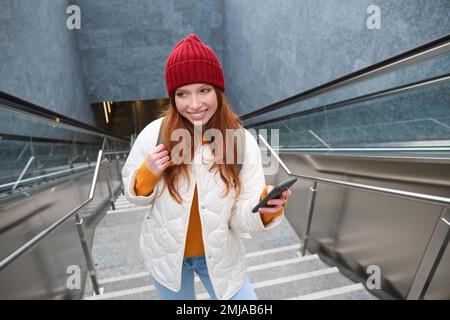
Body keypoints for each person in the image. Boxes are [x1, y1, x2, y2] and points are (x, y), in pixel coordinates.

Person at [122, 34, 293, 300]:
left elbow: (240, 217)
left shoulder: (241, 141)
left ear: (218, 91)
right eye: (182, 94)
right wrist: (149, 172)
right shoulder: (154, 134)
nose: (194, 104)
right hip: (166, 257)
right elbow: (134, 195)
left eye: (204, 90)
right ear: (173, 97)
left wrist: (265, 209)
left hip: (221, 256)